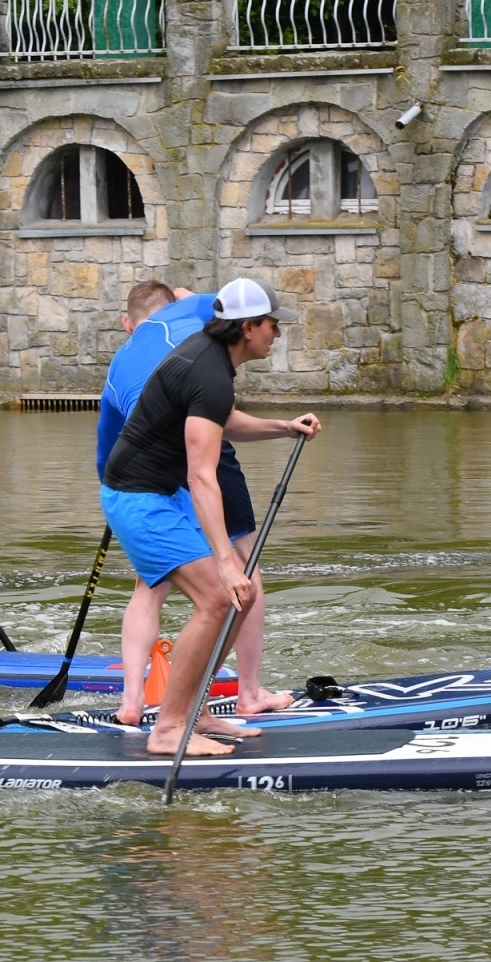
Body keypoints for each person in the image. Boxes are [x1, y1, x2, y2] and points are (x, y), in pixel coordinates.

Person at [101, 278, 321, 756]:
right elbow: (202, 477)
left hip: (152, 494)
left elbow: (220, 419)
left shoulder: (210, 360)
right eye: (272, 326)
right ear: (247, 328)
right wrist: (225, 558)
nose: (277, 335)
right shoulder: (209, 370)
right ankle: (168, 730)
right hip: (139, 500)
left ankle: (195, 710)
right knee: (222, 596)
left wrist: (283, 427)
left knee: (236, 598)